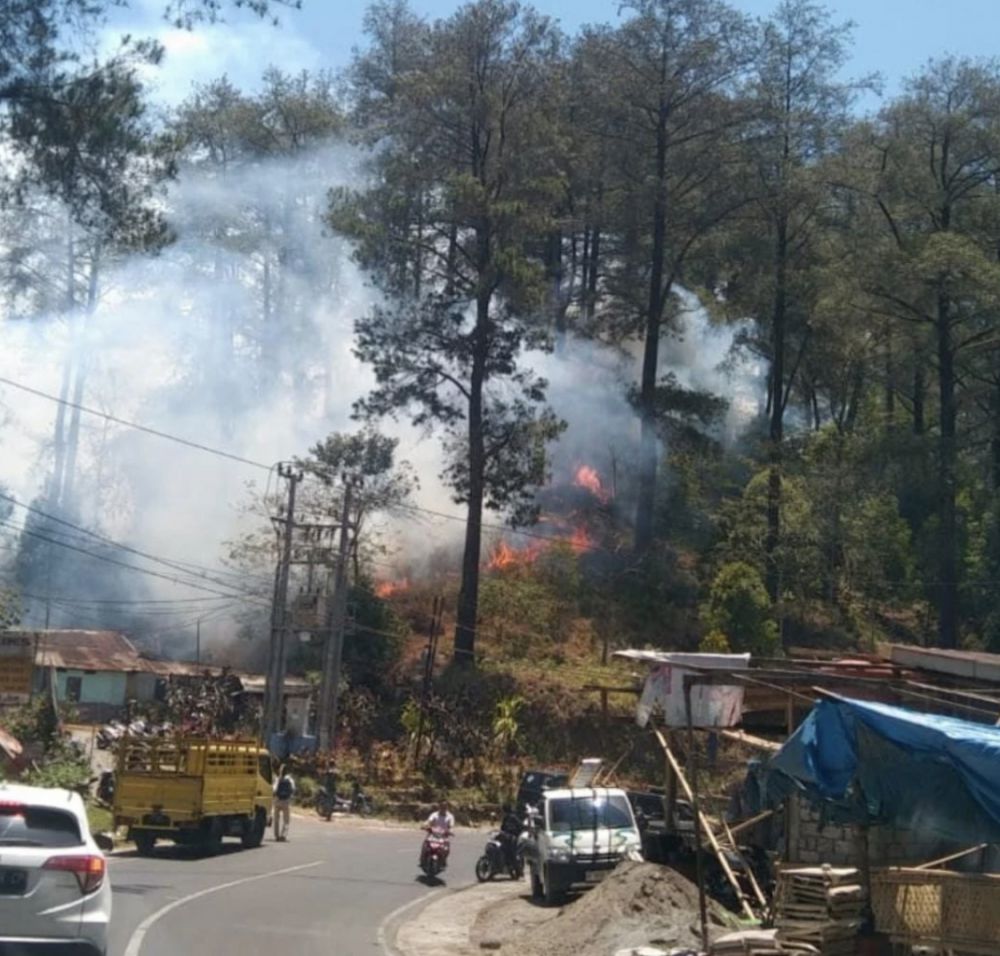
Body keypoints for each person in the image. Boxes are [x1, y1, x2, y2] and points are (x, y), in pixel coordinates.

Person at [273, 765, 295, 841]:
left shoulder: (278, 779)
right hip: (286, 801)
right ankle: (283, 835)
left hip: (277, 800)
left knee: (276, 819)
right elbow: (292, 789)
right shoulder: (290, 780)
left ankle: (276, 835)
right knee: (286, 820)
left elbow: (274, 789)